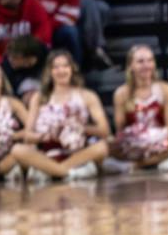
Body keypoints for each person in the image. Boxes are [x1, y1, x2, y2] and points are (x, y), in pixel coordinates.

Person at [15, 48, 111, 181]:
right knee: (18, 150)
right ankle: (63, 172)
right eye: (56, 67)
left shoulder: (87, 95)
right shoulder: (39, 97)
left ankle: (58, 171)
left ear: (72, 69)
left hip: (78, 152)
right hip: (48, 153)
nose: (61, 71)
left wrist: (79, 128)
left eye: (65, 66)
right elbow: (27, 136)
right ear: (50, 71)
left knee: (102, 147)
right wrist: (47, 135)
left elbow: (104, 131)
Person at [109, 44, 168, 170]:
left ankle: (139, 165)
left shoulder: (166, 89)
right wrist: (135, 142)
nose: (146, 65)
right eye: (140, 61)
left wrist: (155, 142)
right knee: (106, 144)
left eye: (150, 60)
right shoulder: (121, 93)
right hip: (134, 145)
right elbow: (120, 131)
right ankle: (147, 162)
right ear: (131, 66)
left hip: (162, 143)